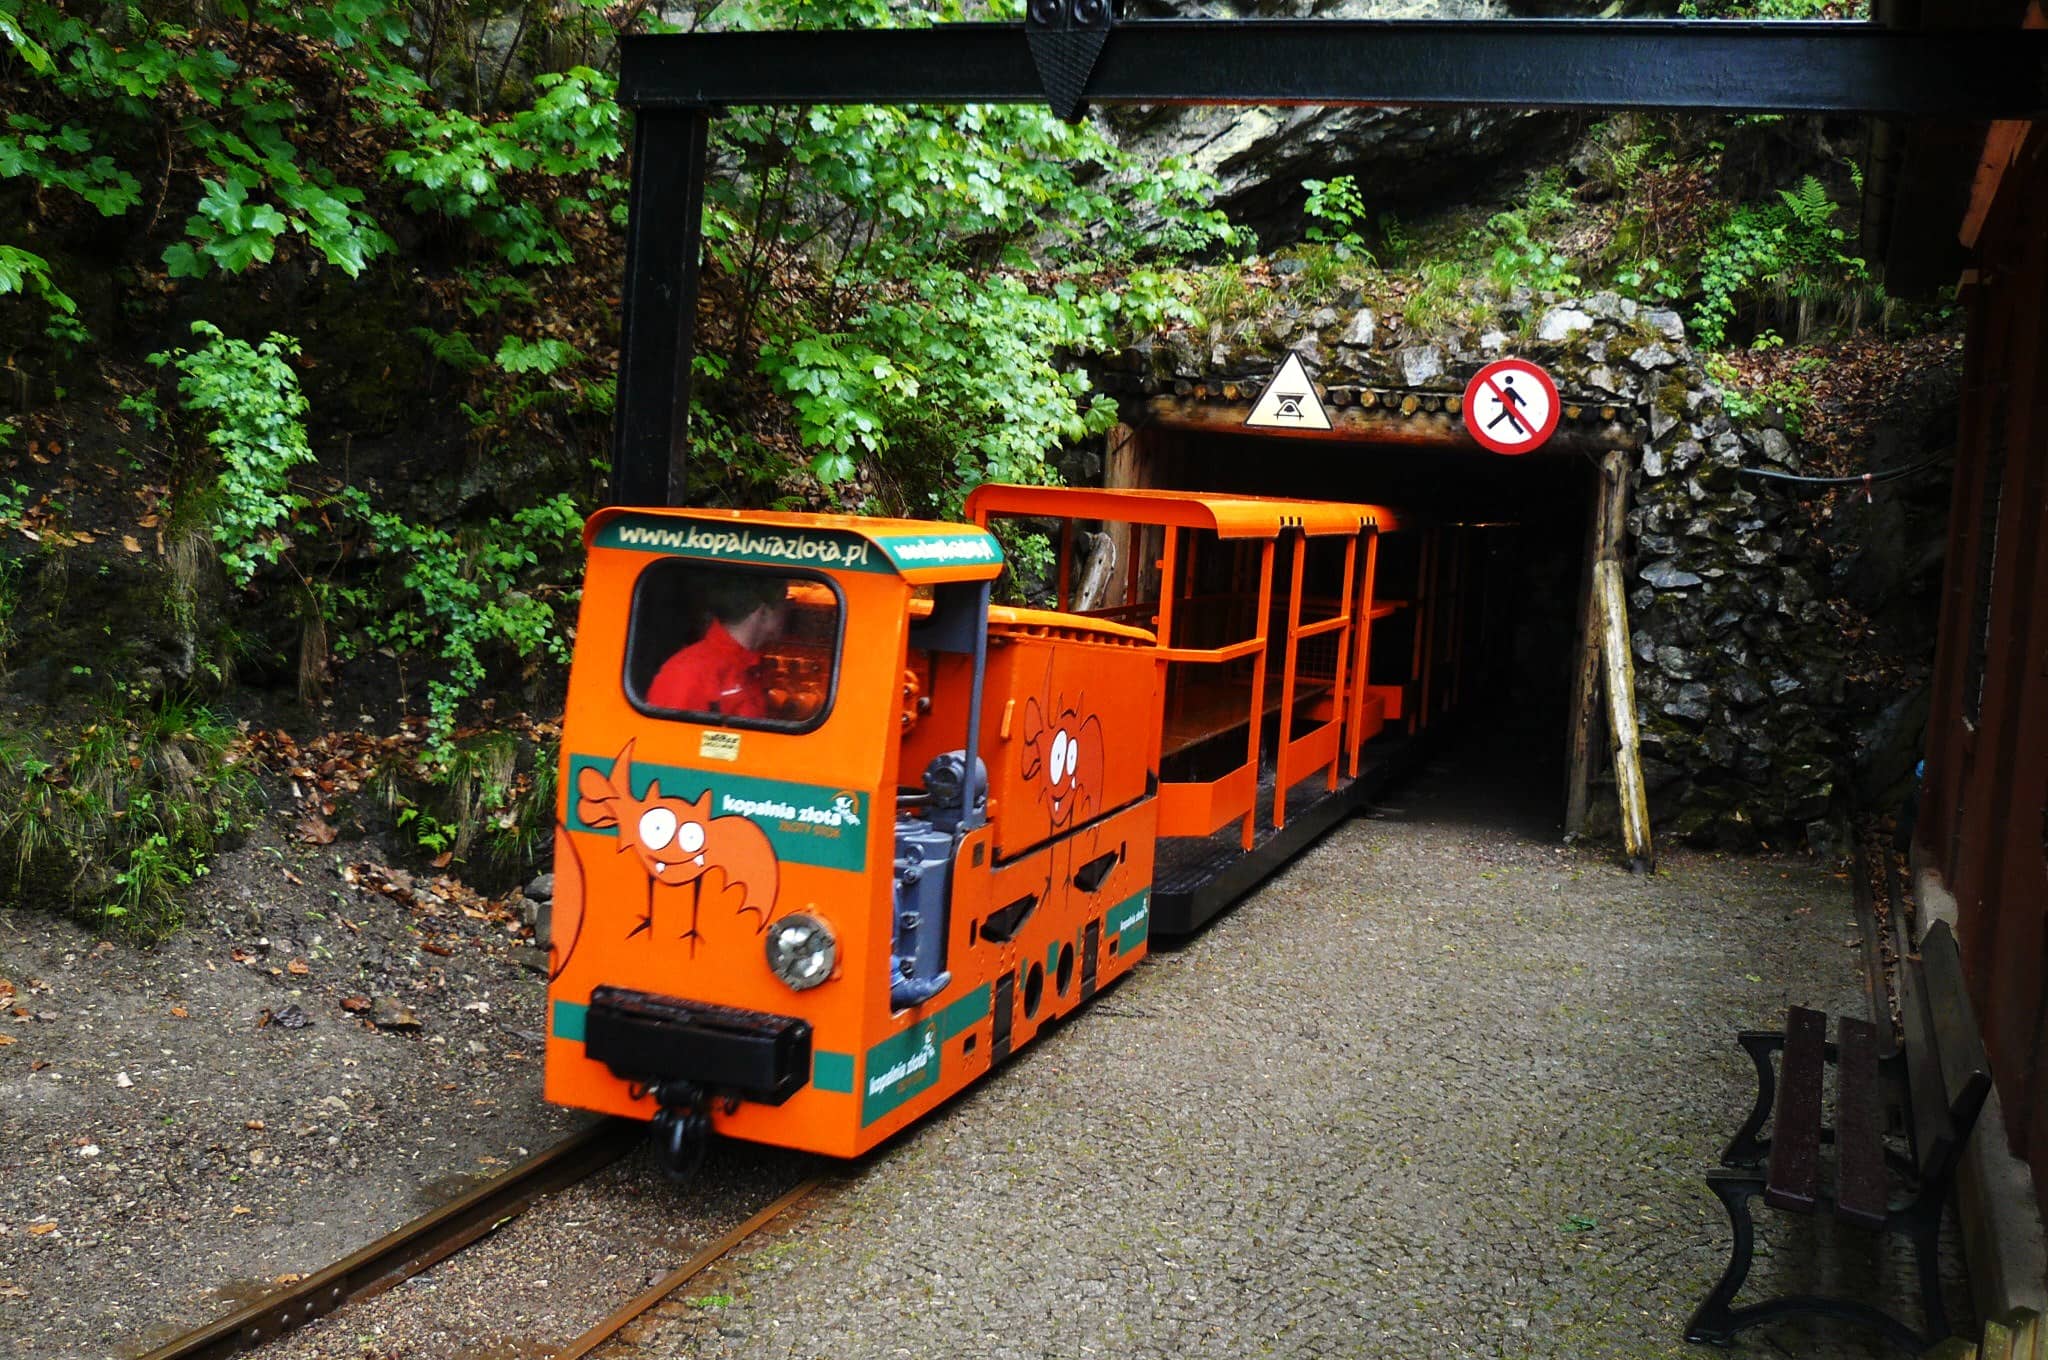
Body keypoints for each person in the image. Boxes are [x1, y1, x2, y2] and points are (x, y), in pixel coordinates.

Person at [646, 574, 789, 718]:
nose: (787, 611)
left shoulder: (749, 668)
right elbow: (667, 737)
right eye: (784, 603)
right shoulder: (687, 673)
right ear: (763, 613)